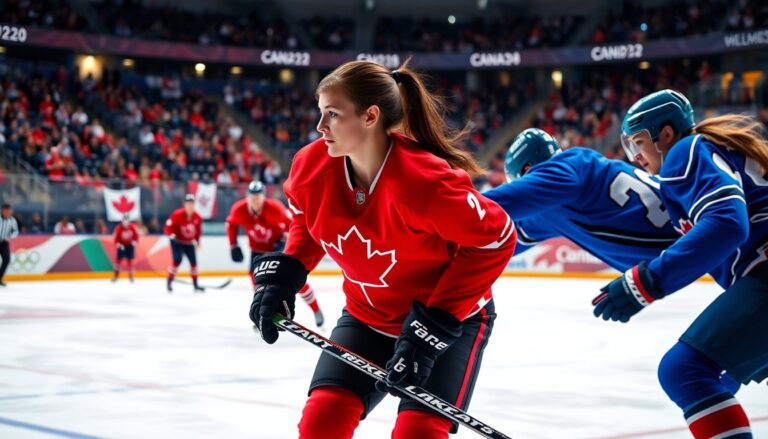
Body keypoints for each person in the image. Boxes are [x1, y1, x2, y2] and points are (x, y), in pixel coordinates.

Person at [249, 60, 515, 439]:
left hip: (446, 325)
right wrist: (288, 274)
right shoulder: (310, 165)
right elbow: (306, 220)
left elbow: (497, 239)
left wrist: (434, 324)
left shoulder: (424, 182)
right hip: (366, 319)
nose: (319, 126)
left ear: (370, 116)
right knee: (320, 424)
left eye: (332, 114)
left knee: (417, 433)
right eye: (320, 113)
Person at [593, 89, 768, 438]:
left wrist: (648, 281)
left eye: (639, 143)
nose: (636, 157)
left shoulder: (683, 154)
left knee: (684, 369)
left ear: (666, 135)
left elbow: (728, 223)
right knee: (716, 374)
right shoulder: (706, 150)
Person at [483, 128, 680, 271]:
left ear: (527, 171)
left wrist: (454, 202)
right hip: (686, 241)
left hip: (691, 231)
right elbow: (500, 242)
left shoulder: (569, 167)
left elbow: (482, 208)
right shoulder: (549, 209)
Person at [226, 180, 325, 327]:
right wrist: (233, 244)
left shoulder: (275, 208)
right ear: (247, 196)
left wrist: (285, 239)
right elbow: (231, 224)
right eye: (252, 197)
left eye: (258, 196)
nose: (255, 200)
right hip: (257, 252)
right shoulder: (239, 209)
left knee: (293, 280)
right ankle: (262, 312)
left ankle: (316, 309)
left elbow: (294, 223)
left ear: (263, 197)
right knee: (257, 282)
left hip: (276, 249)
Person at [164, 194, 203, 293]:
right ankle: (169, 281)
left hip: (189, 243)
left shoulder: (197, 217)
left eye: (192, 204)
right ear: (184, 204)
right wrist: (171, 235)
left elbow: (198, 231)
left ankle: (195, 284)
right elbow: (168, 226)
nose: (190, 206)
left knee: (194, 263)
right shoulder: (177, 214)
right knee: (177, 260)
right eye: (188, 203)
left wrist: (198, 242)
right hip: (177, 241)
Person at [112, 215, 139, 283]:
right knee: (118, 262)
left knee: (130, 262)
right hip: (121, 246)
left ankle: (131, 277)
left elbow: (136, 237)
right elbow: (116, 240)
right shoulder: (118, 228)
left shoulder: (132, 227)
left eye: (127, 222)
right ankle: (116, 276)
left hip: (130, 246)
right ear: (122, 222)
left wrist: (134, 242)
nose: (126, 224)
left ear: (129, 222)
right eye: (124, 222)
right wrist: (119, 245)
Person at [0, 203, 19, 287]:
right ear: (2, 211)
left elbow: (16, 231)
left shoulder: (12, 220)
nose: (7, 212)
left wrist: (10, 236)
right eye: (6, 211)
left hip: (4, 242)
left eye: (9, 211)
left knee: (6, 260)